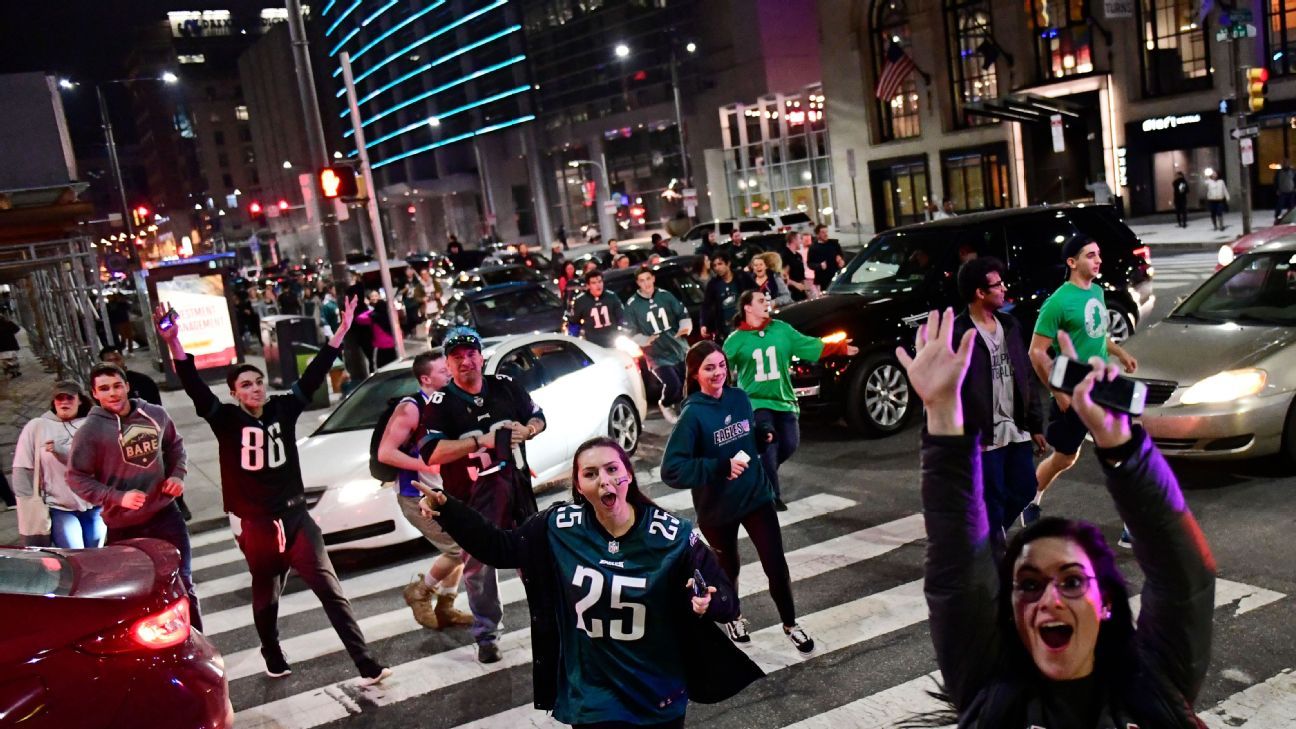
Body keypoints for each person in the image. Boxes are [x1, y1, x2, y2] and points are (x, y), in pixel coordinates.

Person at [897, 308, 1215, 728]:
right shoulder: (989, 692)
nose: (1049, 599)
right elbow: (958, 567)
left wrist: (1121, 445)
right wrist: (941, 413)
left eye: (1072, 580)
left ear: (1104, 603)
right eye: (1028, 584)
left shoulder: (1153, 687)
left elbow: (1183, 576)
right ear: (1009, 610)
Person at [417, 436, 762, 727]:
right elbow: (501, 548)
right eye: (591, 473)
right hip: (593, 692)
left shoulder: (672, 535)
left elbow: (727, 602)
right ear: (579, 485)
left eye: (613, 469)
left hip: (657, 689)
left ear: (628, 474)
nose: (604, 480)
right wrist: (450, 511)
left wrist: (705, 603)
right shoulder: (559, 526)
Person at [160, 298, 391, 684]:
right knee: (266, 597)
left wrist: (340, 332)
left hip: (297, 517)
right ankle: (271, 650)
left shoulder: (284, 408)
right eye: (246, 385)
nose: (255, 389)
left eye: (258, 382)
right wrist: (175, 343)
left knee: (329, 590)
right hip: (258, 524)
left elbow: (315, 375)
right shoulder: (226, 419)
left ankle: (365, 662)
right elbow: (194, 385)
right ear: (234, 392)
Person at [661, 341, 816, 653]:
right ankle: (733, 616)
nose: (718, 372)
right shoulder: (692, 415)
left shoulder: (739, 398)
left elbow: (745, 441)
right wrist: (718, 467)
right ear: (695, 373)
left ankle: (791, 623)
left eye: (721, 365)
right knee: (727, 569)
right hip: (718, 510)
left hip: (756, 497)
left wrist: (761, 437)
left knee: (775, 564)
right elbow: (672, 470)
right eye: (709, 368)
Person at [417, 326, 547, 664]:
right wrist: (479, 442)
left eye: (471, 354)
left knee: (534, 560)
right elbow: (431, 452)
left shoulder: (505, 386)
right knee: (478, 571)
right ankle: (487, 635)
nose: (466, 361)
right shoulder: (441, 404)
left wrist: (528, 429)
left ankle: (549, 624)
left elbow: (539, 416)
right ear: (447, 363)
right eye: (457, 357)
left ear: (481, 356)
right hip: (473, 499)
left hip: (516, 491)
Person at [69, 362, 199, 628]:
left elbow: (175, 446)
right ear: (95, 394)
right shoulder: (90, 432)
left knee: (184, 583)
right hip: (123, 527)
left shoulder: (154, 414)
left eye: (117, 386)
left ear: (127, 386)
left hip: (166, 516)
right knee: (137, 597)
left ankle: (197, 644)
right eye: (104, 389)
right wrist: (116, 497)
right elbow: (77, 478)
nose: (113, 393)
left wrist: (177, 475)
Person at [1026, 238, 1139, 546]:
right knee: (1064, 458)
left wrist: (1118, 353)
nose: (1098, 259)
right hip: (1072, 393)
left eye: (1099, 254)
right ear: (1072, 263)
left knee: (1119, 452)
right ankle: (1029, 498)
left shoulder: (1098, 292)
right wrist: (1059, 394)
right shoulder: (1059, 302)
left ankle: (1132, 526)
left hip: (1101, 389)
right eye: (1091, 255)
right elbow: (1036, 352)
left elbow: (1097, 335)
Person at [724, 290, 855, 512]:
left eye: (767, 300)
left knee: (789, 444)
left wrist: (839, 348)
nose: (767, 303)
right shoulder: (735, 340)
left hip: (784, 400)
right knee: (769, 444)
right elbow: (720, 367)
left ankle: (757, 475)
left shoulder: (781, 330)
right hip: (755, 402)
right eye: (761, 301)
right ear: (747, 307)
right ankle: (771, 496)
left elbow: (809, 345)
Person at [953, 258, 1046, 558]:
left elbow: (1025, 375)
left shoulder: (1009, 325)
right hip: (983, 435)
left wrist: (1035, 425)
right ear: (980, 292)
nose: (1004, 289)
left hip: (1015, 427)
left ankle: (987, 535)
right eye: (997, 285)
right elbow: (947, 390)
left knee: (1024, 488)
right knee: (991, 499)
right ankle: (992, 558)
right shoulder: (959, 333)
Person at [376, 351, 474, 631]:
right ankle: (420, 592)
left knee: (464, 548)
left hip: (447, 492)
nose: (450, 373)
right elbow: (386, 452)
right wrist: (425, 463)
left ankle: (446, 607)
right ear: (425, 378)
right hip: (416, 494)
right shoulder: (412, 408)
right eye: (443, 371)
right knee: (459, 549)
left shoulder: (448, 402)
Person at [13, 381, 100, 549]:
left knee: (97, 552)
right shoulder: (37, 427)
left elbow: (98, 461)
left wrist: (62, 451)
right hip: (60, 507)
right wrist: (28, 505)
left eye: (70, 398)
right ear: (53, 401)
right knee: (74, 554)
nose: (64, 402)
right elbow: (22, 468)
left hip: (95, 505)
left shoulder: (92, 424)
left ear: (80, 400)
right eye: (59, 398)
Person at [624, 266, 693, 423]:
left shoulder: (665, 296)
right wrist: (643, 339)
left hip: (678, 347)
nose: (646, 283)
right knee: (672, 384)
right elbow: (629, 331)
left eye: (648, 279)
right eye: (642, 280)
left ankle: (687, 412)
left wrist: (684, 328)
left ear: (653, 278)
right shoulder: (632, 305)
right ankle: (666, 403)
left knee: (686, 383)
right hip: (656, 354)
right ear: (637, 283)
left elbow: (682, 313)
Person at [700, 251, 755, 342]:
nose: (717, 268)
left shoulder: (742, 277)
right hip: (726, 331)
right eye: (714, 265)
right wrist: (704, 324)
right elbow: (706, 305)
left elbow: (755, 292)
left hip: (746, 325)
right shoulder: (713, 284)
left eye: (720, 264)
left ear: (728, 263)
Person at [569, 270, 626, 348]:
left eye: (600, 282)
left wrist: (624, 332)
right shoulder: (580, 301)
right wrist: (574, 342)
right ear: (588, 286)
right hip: (593, 344)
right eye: (594, 283)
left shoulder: (611, 296)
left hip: (614, 341)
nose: (598, 285)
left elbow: (622, 317)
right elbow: (574, 323)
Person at [357, 298, 398, 368]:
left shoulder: (373, 318)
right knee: (394, 366)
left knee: (381, 368)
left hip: (381, 349)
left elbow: (359, 318)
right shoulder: (390, 316)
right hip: (392, 347)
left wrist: (370, 311)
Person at [807, 224, 845, 294]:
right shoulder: (813, 248)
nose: (826, 234)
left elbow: (841, 256)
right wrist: (819, 266)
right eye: (823, 232)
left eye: (826, 232)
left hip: (837, 277)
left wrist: (841, 260)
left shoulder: (834, 243)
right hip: (823, 279)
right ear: (818, 234)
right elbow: (810, 264)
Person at [775, 232, 809, 301]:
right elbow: (783, 277)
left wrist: (805, 288)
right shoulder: (785, 255)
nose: (801, 241)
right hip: (791, 292)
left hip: (801, 291)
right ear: (794, 240)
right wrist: (796, 284)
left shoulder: (798, 255)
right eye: (800, 239)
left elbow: (801, 275)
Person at [1275, 159, 1296, 223]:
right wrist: (1277, 189)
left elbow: (1295, 180)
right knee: (1279, 206)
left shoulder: (1293, 171)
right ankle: (1277, 218)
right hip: (1282, 192)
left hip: (1291, 191)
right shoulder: (1279, 172)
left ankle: (1290, 219)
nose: (1285, 164)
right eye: (1284, 163)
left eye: (1286, 163)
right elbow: (1276, 181)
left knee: (1291, 206)